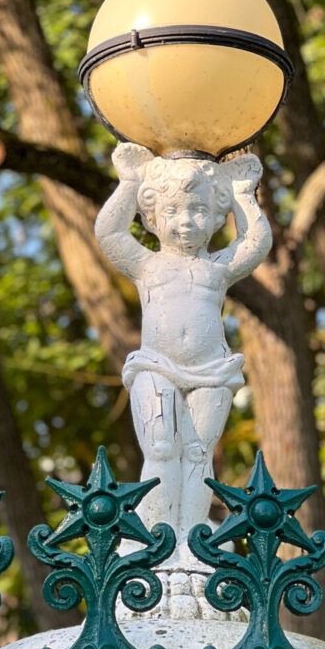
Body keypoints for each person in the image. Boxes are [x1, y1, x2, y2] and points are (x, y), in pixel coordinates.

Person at [95, 142, 272, 547]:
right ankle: (157, 535)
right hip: (156, 366)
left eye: (198, 212)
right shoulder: (147, 266)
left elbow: (255, 244)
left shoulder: (216, 268)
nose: (187, 222)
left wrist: (243, 195)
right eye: (173, 212)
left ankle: (192, 537)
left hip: (211, 369)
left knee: (197, 454)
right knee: (160, 447)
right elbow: (109, 232)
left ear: (214, 220)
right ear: (153, 219)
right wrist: (129, 183)